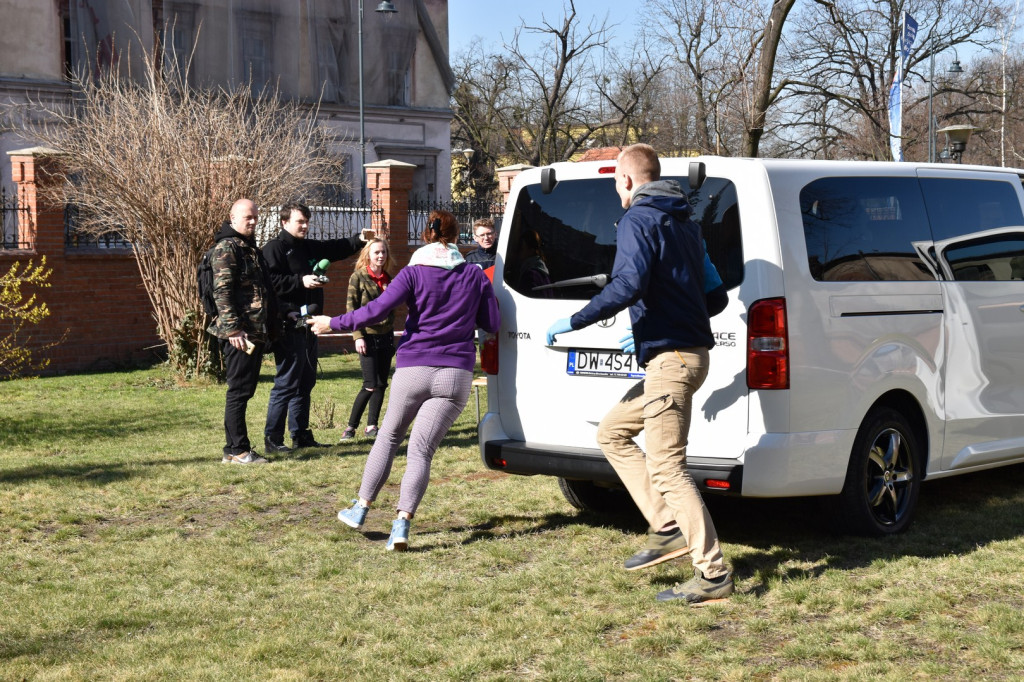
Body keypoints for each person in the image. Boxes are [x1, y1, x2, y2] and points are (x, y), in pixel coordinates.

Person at [545, 143, 733, 604]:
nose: (617, 191)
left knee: (668, 467)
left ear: (627, 180)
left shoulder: (637, 219)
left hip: (672, 360)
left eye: (616, 182)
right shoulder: (686, 225)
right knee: (612, 433)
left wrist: (574, 321)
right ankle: (667, 526)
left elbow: (627, 284)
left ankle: (712, 574)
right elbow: (715, 297)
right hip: (682, 354)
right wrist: (665, 320)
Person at [308, 210, 500, 552]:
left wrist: (332, 323)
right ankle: (402, 524)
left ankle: (360, 508)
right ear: (457, 237)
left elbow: (376, 310)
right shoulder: (474, 274)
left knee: (388, 437)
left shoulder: (412, 272)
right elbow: (492, 322)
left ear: (426, 235)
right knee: (421, 451)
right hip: (455, 374)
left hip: (414, 369)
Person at [262, 202, 368, 452]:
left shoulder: (308, 246)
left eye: (307, 221)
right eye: (300, 221)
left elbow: (335, 248)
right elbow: (269, 282)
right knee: (287, 383)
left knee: (305, 382)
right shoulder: (274, 249)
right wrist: (301, 281)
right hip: (288, 323)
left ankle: (300, 435)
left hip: (310, 324)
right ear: (284, 222)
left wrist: (360, 239)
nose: (305, 226)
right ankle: (273, 440)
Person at [208, 199, 278, 464]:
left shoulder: (248, 247)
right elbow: (222, 292)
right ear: (233, 217)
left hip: (253, 331)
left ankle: (232, 450)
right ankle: (239, 450)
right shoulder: (227, 248)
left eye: (255, 217)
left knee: (243, 390)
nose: (253, 221)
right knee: (238, 391)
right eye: (248, 217)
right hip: (240, 333)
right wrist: (234, 329)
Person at [339, 238, 396, 441]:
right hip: (367, 337)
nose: (381, 256)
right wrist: (358, 337)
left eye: (383, 252)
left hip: (386, 337)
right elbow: (351, 309)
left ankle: (372, 425)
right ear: (368, 255)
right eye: (376, 252)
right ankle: (350, 428)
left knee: (381, 384)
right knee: (370, 384)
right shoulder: (358, 277)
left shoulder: (389, 278)